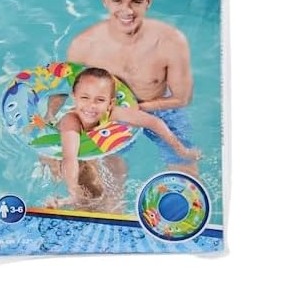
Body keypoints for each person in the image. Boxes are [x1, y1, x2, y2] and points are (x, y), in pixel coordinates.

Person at [61, 0, 199, 177]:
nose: (127, 11)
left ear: (148, 1)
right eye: (117, 0)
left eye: (136, 2)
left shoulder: (171, 41)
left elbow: (182, 98)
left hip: (160, 108)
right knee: (102, 179)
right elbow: (76, 95)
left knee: (186, 170)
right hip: (107, 114)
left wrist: (139, 110)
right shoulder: (83, 46)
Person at [46, 67, 200, 209]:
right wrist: (73, 193)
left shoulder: (112, 112)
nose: (91, 106)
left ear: (110, 103)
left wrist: (181, 150)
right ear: (74, 98)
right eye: (84, 98)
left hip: (97, 135)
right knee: (79, 180)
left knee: (113, 174)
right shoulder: (70, 121)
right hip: (65, 142)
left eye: (100, 100)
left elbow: (154, 122)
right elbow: (69, 158)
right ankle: (50, 114)